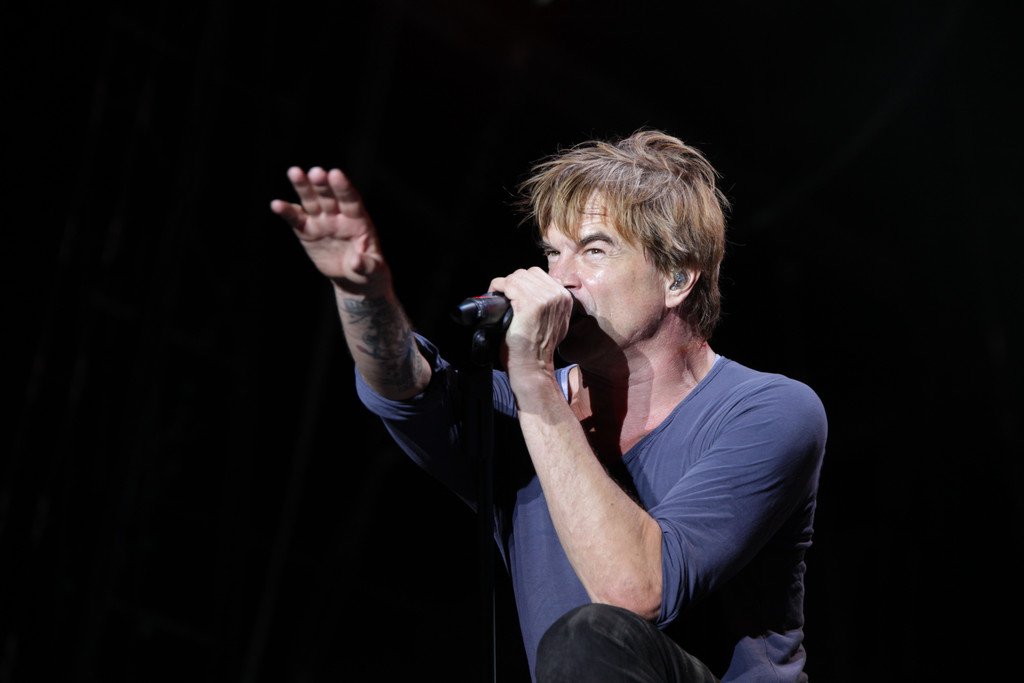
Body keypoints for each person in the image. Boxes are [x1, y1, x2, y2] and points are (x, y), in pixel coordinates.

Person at [270, 130, 828, 682]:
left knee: (591, 636)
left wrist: (534, 379)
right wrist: (363, 293)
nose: (558, 280)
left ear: (677, 278)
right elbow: (403, 384)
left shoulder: (770, 412)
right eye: (553, 253)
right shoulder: (519, 408)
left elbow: (635, 589)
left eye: (593, 250)